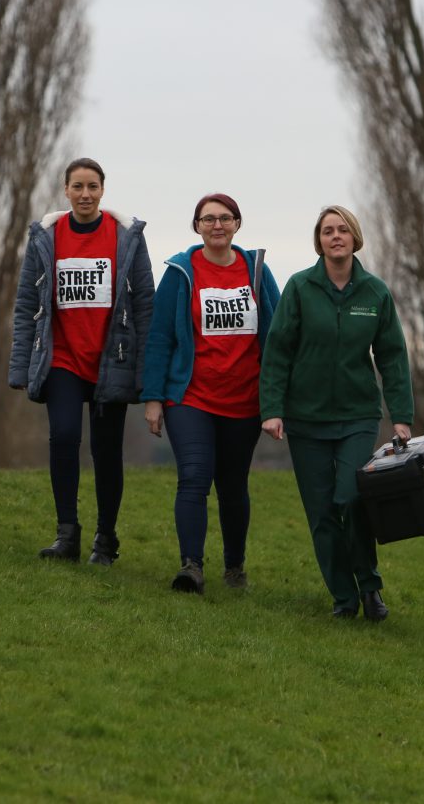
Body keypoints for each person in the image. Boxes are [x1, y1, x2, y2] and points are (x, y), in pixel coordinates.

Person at [260, 205, 413, 621]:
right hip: (306, 419)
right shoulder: (299, 288)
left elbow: (393, 357)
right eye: (327, 231)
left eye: (342, 229)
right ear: (319, 241)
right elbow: (277, 352)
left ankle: (370, 586)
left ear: (355, 237)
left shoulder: (375, 293)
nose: (335, 236)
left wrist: (400, 416)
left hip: (357, 417)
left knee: (351, 498)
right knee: (322, 511)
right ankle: (343, 597)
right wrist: (272, 409)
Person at [8, 158, 154, 565]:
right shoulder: (46, 238)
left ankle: (105, 539)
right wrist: (20, 365)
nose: (85, 194)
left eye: (92, 186)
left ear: (103, 190)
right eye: (77, 187)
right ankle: (66, 534)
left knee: (106, 452)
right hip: (63, 360)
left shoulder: (126, 237)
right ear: (66, 190)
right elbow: (25, 306)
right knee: (65, 437)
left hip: (112, 360)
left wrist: (145, 370)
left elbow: (145, 304)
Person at [142, 194, 280, 594]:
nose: (217, 225)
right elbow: (159, 339)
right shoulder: (180, 272)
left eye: (225, 218)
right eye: (208, 219)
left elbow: (277, 335)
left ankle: (235, 567)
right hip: (191, 398)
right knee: (194, 478)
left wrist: (277, 398)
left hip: (244, 400)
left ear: (237, 223)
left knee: (233, 485)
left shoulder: (256, 271)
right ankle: (192, 567)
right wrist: (153, 397)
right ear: (197, 226)